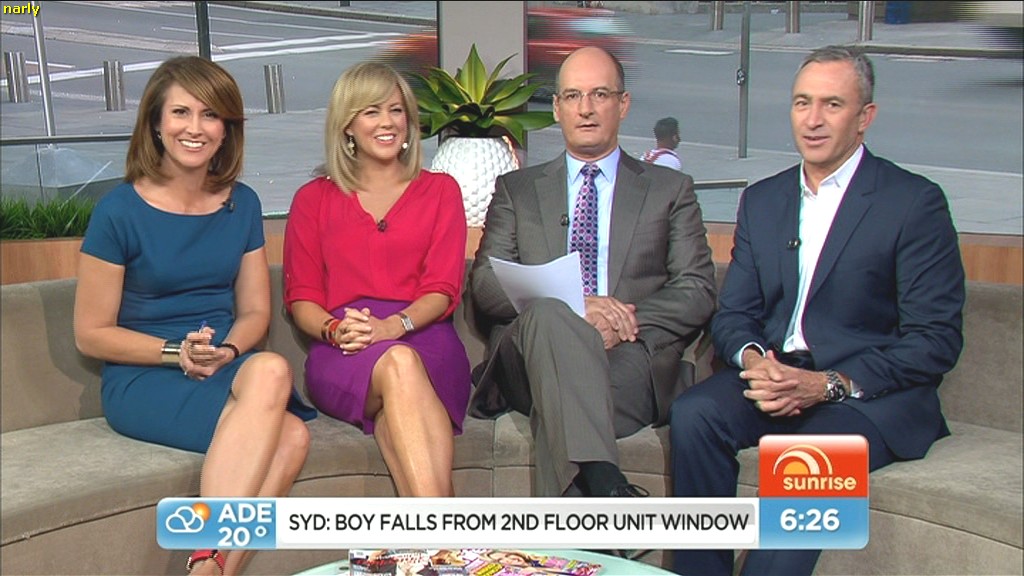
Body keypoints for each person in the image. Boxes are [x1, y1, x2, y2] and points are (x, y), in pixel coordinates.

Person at [669, 45, 965, 576]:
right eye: (802, 102)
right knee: (695, 413)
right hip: (780, 376)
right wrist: (756, 362)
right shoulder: (764, 200)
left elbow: (935, 340)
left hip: (867, 395)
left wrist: (827, 384)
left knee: (812, 453)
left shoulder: (912, 202)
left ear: (864, 117)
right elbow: (734, 314)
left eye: (832, 104)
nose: (812, 120)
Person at [73, 55, 317, 576]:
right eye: (181, 112)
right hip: (145, 375)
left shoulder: (242, 204)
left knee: (277, 391)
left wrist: (226, 350)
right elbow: (90, 334)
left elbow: (255, 311)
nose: (196, 128)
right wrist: (174, 352)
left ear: (226, 129)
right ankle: (209, 559)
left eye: (211, 115)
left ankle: (209, 567)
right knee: (288, 428)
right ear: (156, 124)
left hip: (223, 364)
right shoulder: (118, 210)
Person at [467, 46, 717, 498]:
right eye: (573, 96)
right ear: (557, 108)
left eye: (600, 94)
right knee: (550, 314)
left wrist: (621, 319)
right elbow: (485, 284)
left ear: (623, 104)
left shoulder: (669, 189)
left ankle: (586, 510)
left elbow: (696, 289)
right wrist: (577, 309)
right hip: (531, 357)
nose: (585, 108)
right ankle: (606, 485)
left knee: (566, 399)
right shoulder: (517, 190)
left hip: (627, 357)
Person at [283, 61, 470, 497]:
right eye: (371, 111)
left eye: (396, 110)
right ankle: (450, 531)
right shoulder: (313, 199)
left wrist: (392, 327)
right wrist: (337, 329)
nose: (387, 122)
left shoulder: (441, 191)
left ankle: (438, 532)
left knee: (399, 386)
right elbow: (302, 299)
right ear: (347, 125)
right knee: (398, 366)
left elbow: (442, 289)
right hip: (344, 348)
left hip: (427, 339)